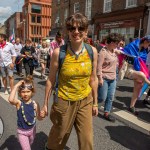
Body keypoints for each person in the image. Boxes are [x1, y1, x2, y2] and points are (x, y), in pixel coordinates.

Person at [40, 13, 98, 150]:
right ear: (68, 31)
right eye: (72, 28)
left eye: (80, 28)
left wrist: (95, 103)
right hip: (64, 101)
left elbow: (93, 79)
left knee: (87, 140)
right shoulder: (58, 52)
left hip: (85, 100)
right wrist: (45, 105)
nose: (76, 32)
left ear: (86, 31)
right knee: (59, 137)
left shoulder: (92, 51)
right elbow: (50, 80)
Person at [8, 77, 41, 150]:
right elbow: (10, 99)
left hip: (32, 130)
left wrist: (41, 114)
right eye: (23, 92)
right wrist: (16, 86)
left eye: (28, 91)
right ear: (20, 93)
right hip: (22, 132)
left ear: (32, 92)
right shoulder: (19, 103)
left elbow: (39, 118)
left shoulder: (35, 103)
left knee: (30, 144)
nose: (25, 94)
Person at [121, 35, 150, 115]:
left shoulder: (144, 51)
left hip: (138, 69)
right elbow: (123, 53)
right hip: (129, 69)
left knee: (138, 87)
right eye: (149, 44)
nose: (149, 46)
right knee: (141, 75)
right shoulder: (132, 46)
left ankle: (131, 106)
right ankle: (148, 83)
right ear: (145, 42)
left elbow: (143, 61)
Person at [97, 33, 122, 122]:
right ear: (110, 42)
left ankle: (107, 113)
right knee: (102, 98)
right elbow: (98, 66)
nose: (117, 45)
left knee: (110, 97)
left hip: (113, 78)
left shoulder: (114, 51)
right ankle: (91, 104)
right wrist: (100, 78)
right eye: (116, 43)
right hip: (104, 77)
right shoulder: (103, 52)